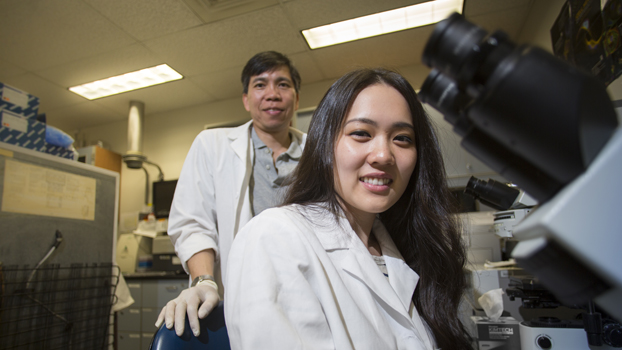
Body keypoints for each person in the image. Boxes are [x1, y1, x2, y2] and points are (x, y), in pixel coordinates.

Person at [225, 68, 472, 349]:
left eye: (402, 138)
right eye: (361, 133)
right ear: (324, 145)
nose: (383, 155)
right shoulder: (273, 236)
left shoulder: (403, 246)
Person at [155, 51, 305, 337]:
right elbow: (192, 223)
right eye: (260, 85)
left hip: (307, 292)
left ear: (297, 99)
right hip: (244, 296)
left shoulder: (320, 154)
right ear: (246, 99)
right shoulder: (213, 145)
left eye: (283, 84)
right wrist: (204, 281)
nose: (272, 94)